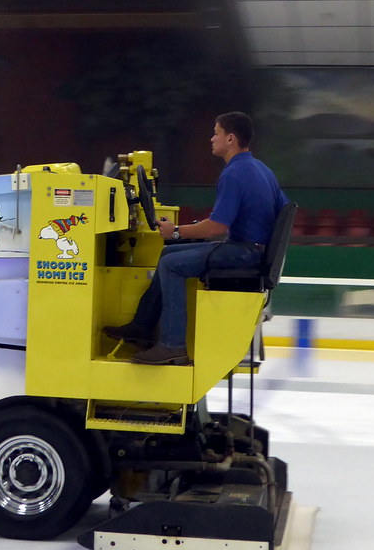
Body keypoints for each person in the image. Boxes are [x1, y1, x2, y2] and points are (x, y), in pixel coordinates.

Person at [104, 111, 289, 366]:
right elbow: (282, 208)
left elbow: (216, 227)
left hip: (245, 252)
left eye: (217, 133)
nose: (212, 139)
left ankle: (173, 346)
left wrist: (176, 232)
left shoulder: (234, 174)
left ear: (231, 139)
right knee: (169, 254)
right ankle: (143, 327)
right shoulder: (261, 169)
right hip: (254, 249)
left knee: (171, 265)